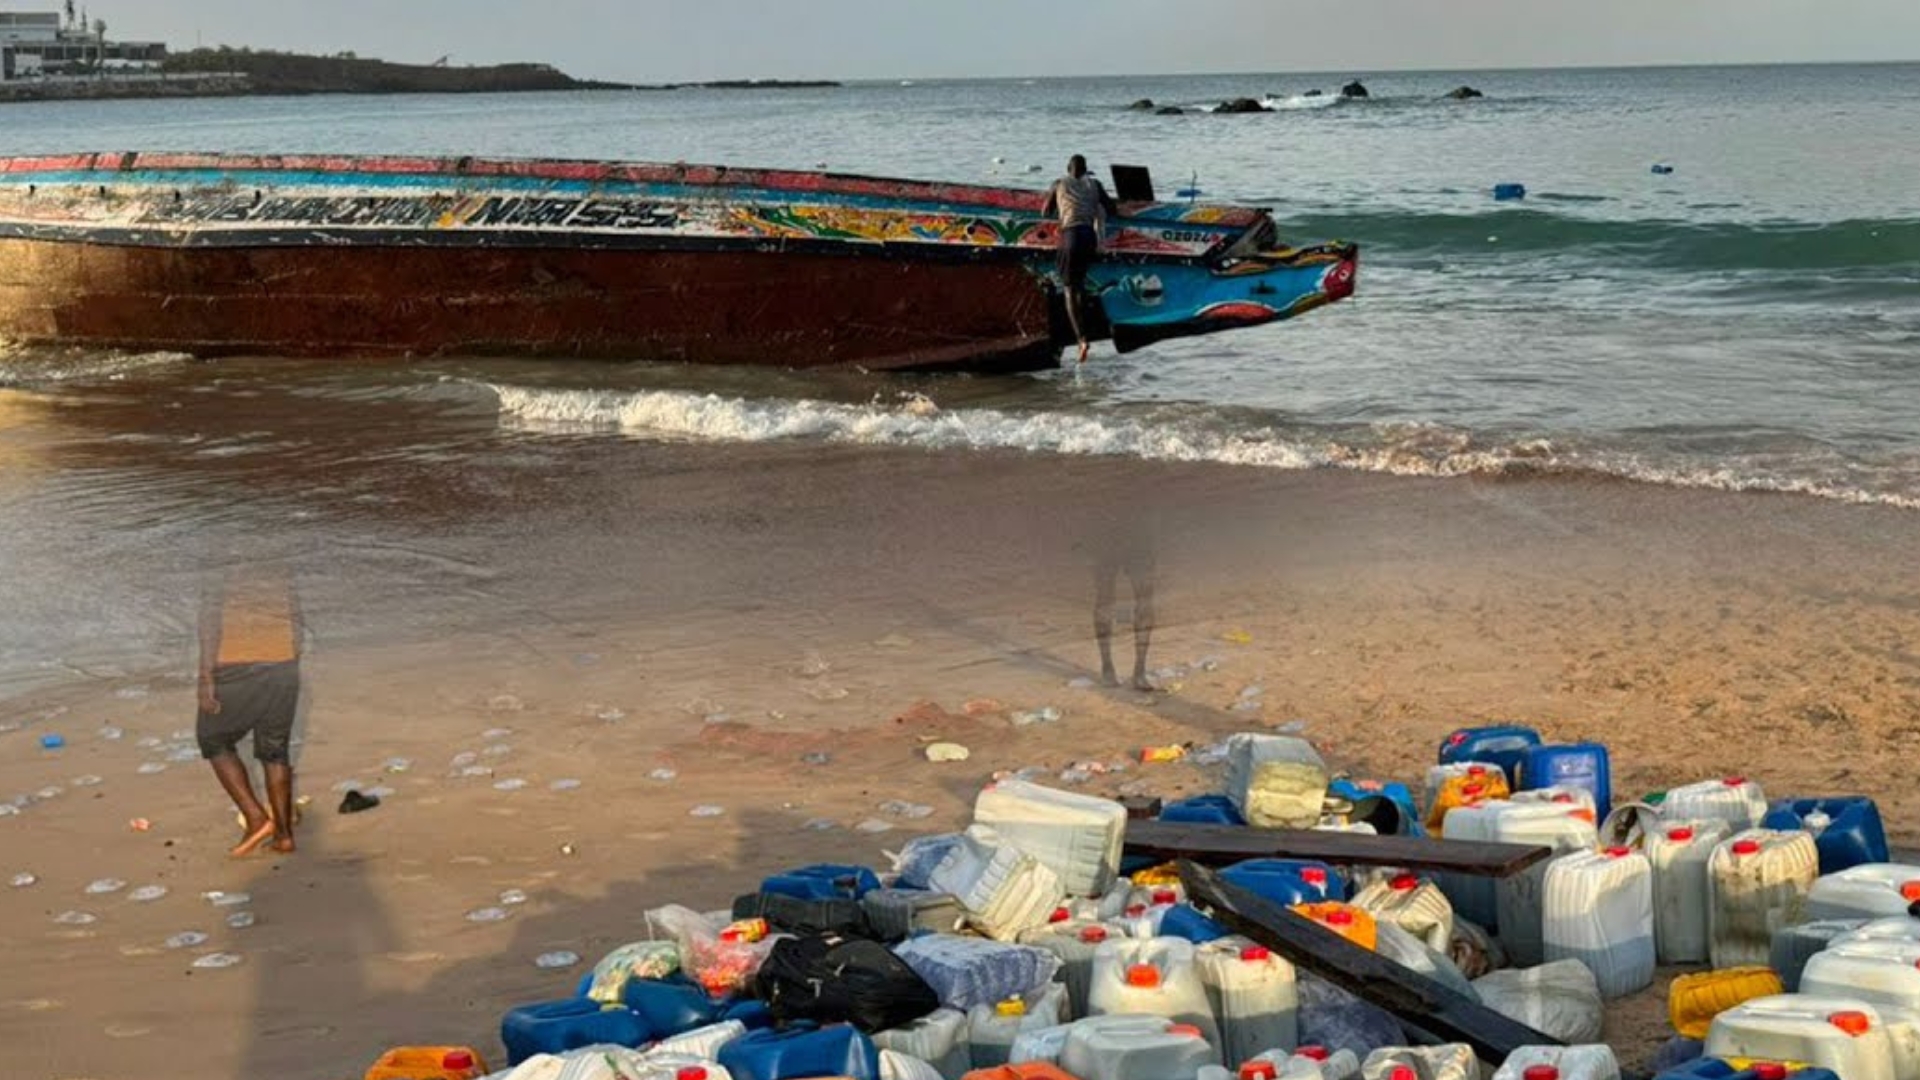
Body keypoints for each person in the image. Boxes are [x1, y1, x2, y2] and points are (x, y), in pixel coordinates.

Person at [196, 560, 304, 857]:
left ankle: (256, 819)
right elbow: (294, 611)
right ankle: (283, 836)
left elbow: (209, 621)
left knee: (212, 738)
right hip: (283, 663)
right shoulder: (279, 560)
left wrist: (205, 676)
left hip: (237, 664)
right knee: (275, 750)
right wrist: (292, 655)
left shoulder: (221, 560)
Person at [1042, 154, 1119, 364]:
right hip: (1089, 238)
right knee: (1081, 286)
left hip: (1070, 237)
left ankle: (1082, 339)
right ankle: (1088, 330)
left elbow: (1045, 211)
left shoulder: (1059, 183)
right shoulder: (1095, 184)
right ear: (1086, 170)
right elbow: (1112, 208)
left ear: (1068, 169)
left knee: (1069, 290)